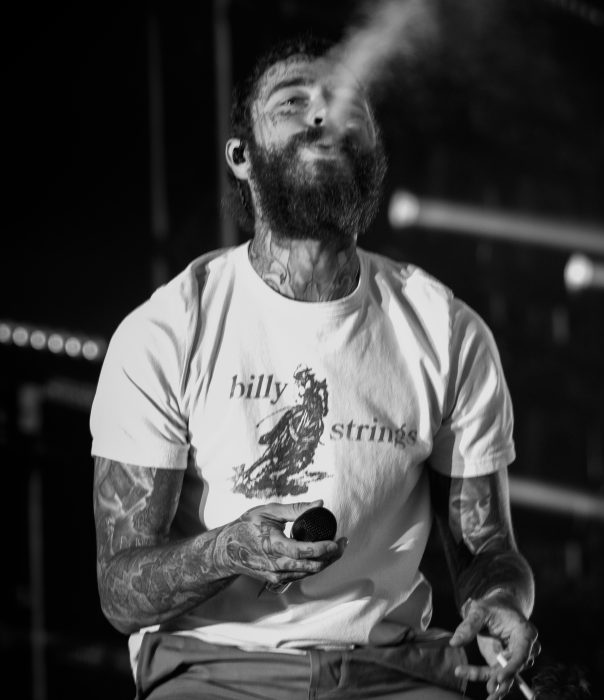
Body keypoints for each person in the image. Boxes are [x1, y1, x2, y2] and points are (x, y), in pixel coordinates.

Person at [90, 34, 539, 700]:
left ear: (373, 151)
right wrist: (226, 550)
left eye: (345, 104)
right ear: (241, 157)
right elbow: (120, 593)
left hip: (392, 675)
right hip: (218, 672)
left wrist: (502, 600)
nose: (323, 114)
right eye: (293, 102)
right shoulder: (167, 330)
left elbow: (489, 552)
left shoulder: (448, 332)